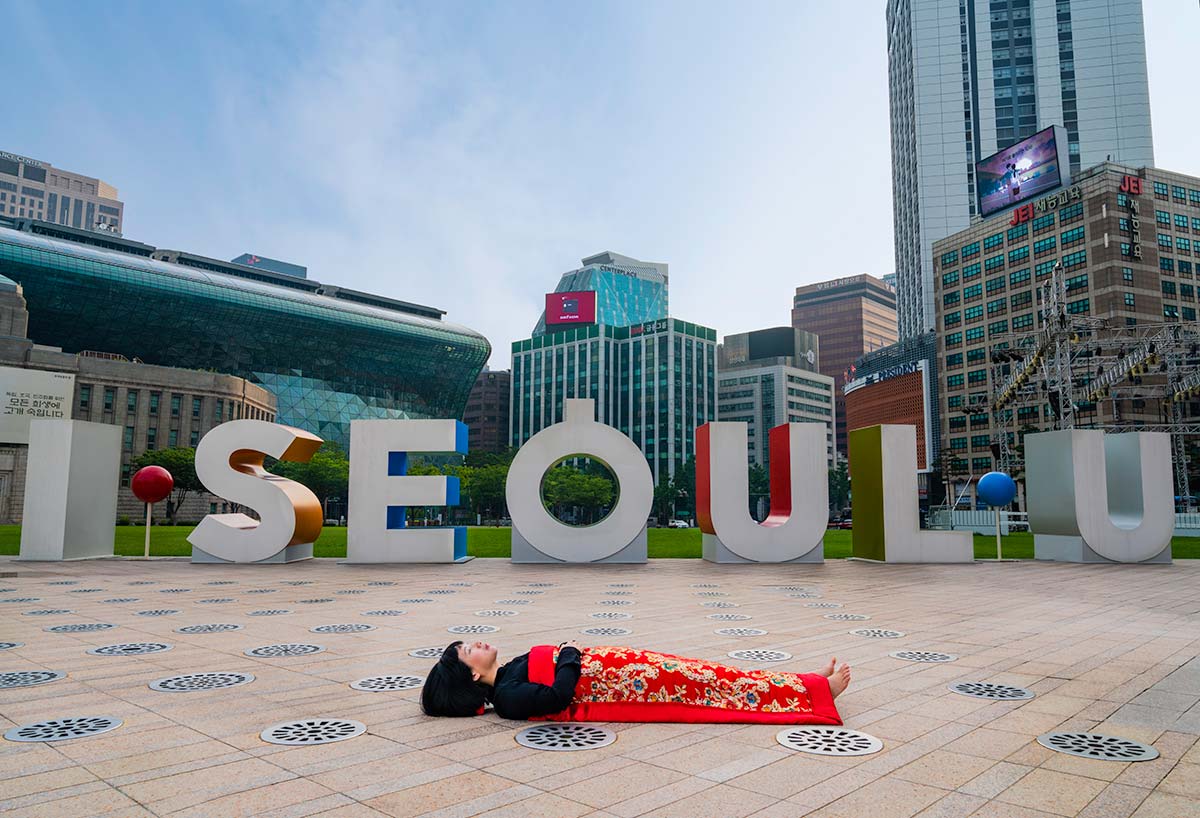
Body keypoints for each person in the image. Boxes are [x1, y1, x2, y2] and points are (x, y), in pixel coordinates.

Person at [421, 639, 850, 725]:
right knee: (717, 689)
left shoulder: (512, 669)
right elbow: (557, 695)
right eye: (466, 650)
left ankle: (805, 681)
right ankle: (815, 695)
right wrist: (570, 654)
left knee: (721, 674)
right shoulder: (509, 696)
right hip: (634, 685)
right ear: (473, 673)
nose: (475, 642)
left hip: (630, 668)